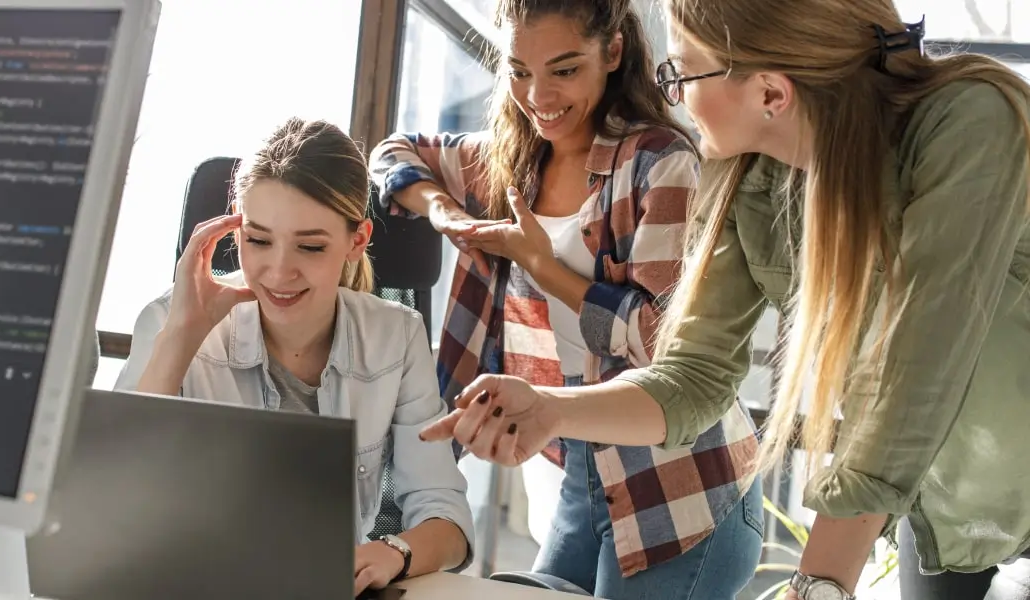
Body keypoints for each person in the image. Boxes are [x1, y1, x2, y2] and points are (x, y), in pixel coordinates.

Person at [420, 0, 1030, 599]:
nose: (674, 94)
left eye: (683, 71)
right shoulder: (745, 177)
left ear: (770, 93)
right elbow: (693, 375)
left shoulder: (971, 119)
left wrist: (817, 585)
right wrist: (551, 408)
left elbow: (916, 362)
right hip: (941, 508)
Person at [371, 1, 763, 597]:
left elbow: (668, 347)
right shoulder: (507, 161)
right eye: (519, 70)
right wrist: (444, 211)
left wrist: (539, 264)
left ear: (611, 53)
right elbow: (392, 153)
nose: (538, 96)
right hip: (584, 470)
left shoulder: (660, 162)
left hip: (682, 484)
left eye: (563, 69)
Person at [115, 118, 473, 596]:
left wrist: (393, 552)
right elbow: (114, 502)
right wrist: (181, 336)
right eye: (258, 240)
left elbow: (447, 517)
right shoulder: (170, 323)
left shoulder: (397, 336)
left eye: (310, 246)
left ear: (356, 241)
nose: (279, 272)